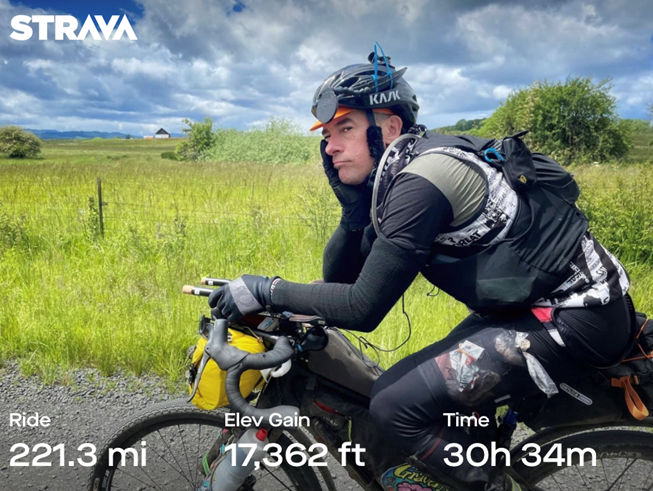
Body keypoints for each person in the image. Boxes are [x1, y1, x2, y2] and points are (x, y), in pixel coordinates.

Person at [208, 52, 634, 491]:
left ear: (390, 127)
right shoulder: (397, 177)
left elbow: (361, 308)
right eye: (328, 135)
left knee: (394, 402)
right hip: (531, 308)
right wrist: (352, 213)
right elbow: (341, 284)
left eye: (346, 128)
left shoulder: (421, 181)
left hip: (576, 314)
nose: (330, 146)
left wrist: (268, 289)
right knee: (439, 401)